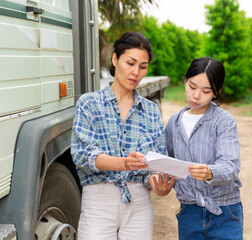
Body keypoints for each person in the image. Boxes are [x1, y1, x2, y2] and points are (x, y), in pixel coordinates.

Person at [71, 32, 175, 240]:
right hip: (99, 202)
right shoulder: (89, 103)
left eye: (143, 66)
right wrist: (123, 164)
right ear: (115, 59)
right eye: (130, 63)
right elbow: (83, 156)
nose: (136, 72)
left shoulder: (151, 111)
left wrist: (159, 185)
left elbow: (155, 165)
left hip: (139, 204)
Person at [165, 57, 243, 239]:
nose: (196, 95)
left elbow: (230, 166)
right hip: (188, 212)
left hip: (225, 211)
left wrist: (210, 172)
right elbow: (167, 163)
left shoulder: (224, 122)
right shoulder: (173, 124)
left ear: (217, 92)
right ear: (185, 81)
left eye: (206, 91)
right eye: (192, 87)